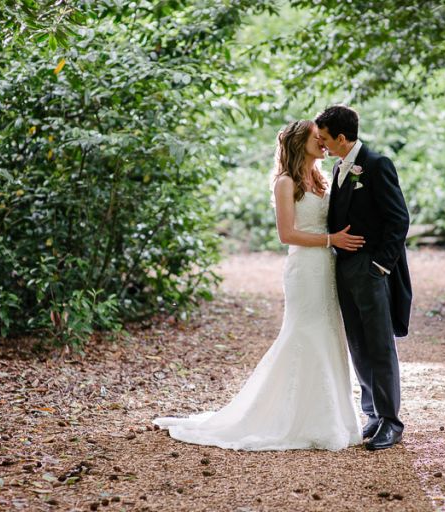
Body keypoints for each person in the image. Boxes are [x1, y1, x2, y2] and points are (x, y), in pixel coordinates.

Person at [152, 120, 364, 451]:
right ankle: (290, 418)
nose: (323, 142)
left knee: (328, 332)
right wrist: (330, 239)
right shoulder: (285, 183)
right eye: (316, 138)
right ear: (299, 143)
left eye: (323, 137)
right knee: (303, 333)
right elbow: (286, 234)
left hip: (327, 266)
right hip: (304, 268)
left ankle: (332, 416)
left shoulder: (325, 177)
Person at [316, 105, 412, 451]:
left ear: (342, 138)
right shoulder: (341, 167)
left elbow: (398, 220)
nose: (323, 146)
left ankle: (391, 420)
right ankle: (371, 412)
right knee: (358, 343)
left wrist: (381, 267)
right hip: (344, 268)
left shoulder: (376, 165)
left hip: (371, 269)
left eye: (326, 140)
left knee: (379, 344)